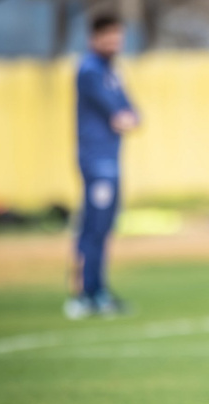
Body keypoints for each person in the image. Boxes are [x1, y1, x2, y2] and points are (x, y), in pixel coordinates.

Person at [64, 12, 139, 320]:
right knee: (94, 227)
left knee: (103, 227)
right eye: (108, 36)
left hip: (109, 159)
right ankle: (86, 294)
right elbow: (118, 114)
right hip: (97, 161)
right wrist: (123, 118)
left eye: (117, 36)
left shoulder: (111, 70)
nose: (114, 42)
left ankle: (96, 290)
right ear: (93, 38)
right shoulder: (90, 70)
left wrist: (126, 118)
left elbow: (133, 114)